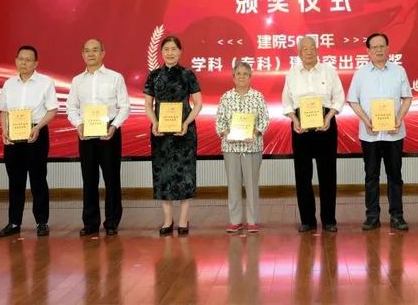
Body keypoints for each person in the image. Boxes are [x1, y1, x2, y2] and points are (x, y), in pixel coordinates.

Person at [347, 33, 412, 231]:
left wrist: (398, 119)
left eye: (382, 46)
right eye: (374, 47)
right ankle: (372, 216)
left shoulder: (399, 71)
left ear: (388, 48)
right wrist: (366, 121)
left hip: (394, 133)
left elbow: (407, 98)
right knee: (371, 176)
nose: (379, 50)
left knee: (395, 176)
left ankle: (397, 216)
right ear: (368, 51)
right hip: (370, 135)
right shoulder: (361, 73)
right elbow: (353, 100)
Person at [66, 38, 130, 236]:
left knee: (112, 178)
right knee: (89, 179)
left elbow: (124, 106)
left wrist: (114, 126)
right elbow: (71, 107)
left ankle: (112, 222)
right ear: (82, 54)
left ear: (103, 53)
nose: (91, 54)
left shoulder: (115, 77)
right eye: (87, 50)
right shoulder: (77, 81)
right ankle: (90, 222)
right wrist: (78, 124)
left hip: (109, 132)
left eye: (95, 50)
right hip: (86, 133)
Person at [281, 36, 345, 233]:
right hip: (300, 125)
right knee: (302, 175)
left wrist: (329, 117)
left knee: (328, 174)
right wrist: (294, 119)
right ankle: (307, 220)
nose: (308, 51)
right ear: (299, 53)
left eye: (312, 48)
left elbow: (339, 97)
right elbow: (287, 102)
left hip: (326, 123)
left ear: (317, 50)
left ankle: (329, 220)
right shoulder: (292, 74)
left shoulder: (329, 70)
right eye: (304, 49)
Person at [144, 35, 203, 236]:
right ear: (161, 52)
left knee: (186, 175)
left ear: (180, 52)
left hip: (184, 132)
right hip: (160, 132)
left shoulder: (188, 74)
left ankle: (184, 219)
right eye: (166, 49)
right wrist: (155, 122)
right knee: (163, 175)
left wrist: (186, 123)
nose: (170, 53)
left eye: (174, 49)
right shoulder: (153, 76)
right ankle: (168, 219)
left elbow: (198, 103)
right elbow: (148, 104)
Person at [0, 45, 58, 238]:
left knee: (38, 179)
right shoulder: (9, 84)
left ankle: (41, 222)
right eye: (20, 59)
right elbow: (4, 110)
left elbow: (52, 110)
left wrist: (37, 127)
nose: (23, 62)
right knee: (15, 180)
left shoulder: (45, 82)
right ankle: (14, 222)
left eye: (28, 60)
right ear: (16, 61)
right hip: (13, 134)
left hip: (36, 133)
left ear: (35, 63)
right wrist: (4, 130)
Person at [215, 61, 269, 234]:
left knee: (252, 185)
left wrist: (255, 133)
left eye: (245, 74)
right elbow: (219, 121)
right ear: (233, 77)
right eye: (238, 74)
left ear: (250, 77)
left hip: (252, 147)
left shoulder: (257, 96)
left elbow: (265, 119)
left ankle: (252, 221)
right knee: (233, 185)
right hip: (231, 148)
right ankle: (235, 220)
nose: (241, 77)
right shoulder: (226, 97)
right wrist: (226, 134)